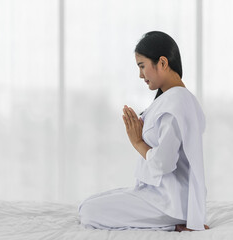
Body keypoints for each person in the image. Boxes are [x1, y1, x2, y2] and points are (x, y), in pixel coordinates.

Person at [78, 31, 210, 232]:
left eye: (142, 66)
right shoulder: (176, 99)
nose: (140, 75)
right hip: (163, 197)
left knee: (88, 211)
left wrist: (138, 142)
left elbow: (163, 163)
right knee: (88, 203)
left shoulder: (176, 102)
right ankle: (170, 222)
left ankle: (170, 224)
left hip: (168, 202)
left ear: (163, 63)